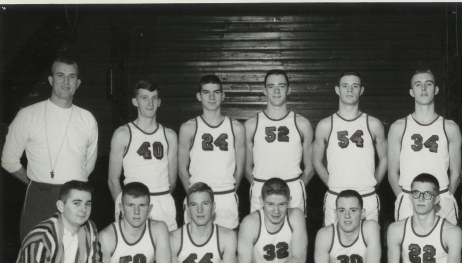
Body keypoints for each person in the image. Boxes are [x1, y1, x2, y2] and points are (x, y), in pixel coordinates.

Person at [1, 56, 98, 241]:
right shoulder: (28, 115)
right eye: (60, 75)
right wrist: (34, 183)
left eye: (71, 77)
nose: (66, 81)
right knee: (36, 257)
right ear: (51, 80)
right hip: (40, 197)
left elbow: (88, 166)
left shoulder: (87, 119)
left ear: (77, 83)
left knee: (75, 258)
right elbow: (8, 160)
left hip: (76, 199)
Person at [388, 68, 462, 225]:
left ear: (435, 90)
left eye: (428, 84)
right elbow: (392, 173)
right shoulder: (398, 127)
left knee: (444, 247)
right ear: (411, 91)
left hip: (441, 198)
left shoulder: (450, 127)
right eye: (418, 84)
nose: (423, 88)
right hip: (409, 198)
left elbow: (456, 173)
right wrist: (403, 197)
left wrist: (445, 197)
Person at [312, 71, 387, 226]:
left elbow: (385, 158)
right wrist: (331, 182)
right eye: (345, 86)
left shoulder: (373, 124)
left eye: (355, 86)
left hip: (366, 195)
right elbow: (316, 161)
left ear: (361, 90)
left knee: (368, 245)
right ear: (337, 90)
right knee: (334, 245)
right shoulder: (325, 125)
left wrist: (374, 182)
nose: (350, 90)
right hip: (336, 195)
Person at [108, 79, 178, 231]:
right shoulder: (122, 134)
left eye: (154, 98)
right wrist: (125, 206)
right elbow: (113, 180)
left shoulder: (170, 135)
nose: (150, 103)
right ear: (135, 101)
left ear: (159, 102)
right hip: (134, 203)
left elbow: (172, 180)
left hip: (162, 202)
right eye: (144, 98)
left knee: (167, 252)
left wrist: (159, 197)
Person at [178, 75, 245, 230]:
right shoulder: (188, 128)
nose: (212, 97)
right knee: (195, 248)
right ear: (199, 96)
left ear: (223, 96)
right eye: (207, 92)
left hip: (226, 195)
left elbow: (240, 168)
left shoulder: (236, 128)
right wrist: (194, 195)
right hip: (198, 198)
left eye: (216, 92)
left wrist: (229, 191)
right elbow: (182, 169)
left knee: (228, 249)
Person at [245, 69, 314, 213]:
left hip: (292, 189)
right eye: (271, 86)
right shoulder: (251, 124)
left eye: (281, 86)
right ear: (265, 90)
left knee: (294, 234)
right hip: (261, 190)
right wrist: (261, 187)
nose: (276, 91)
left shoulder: (302, 124)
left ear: (288, 90)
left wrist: (297, 186)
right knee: (259, 234)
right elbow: (246, 167)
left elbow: (310, 167)